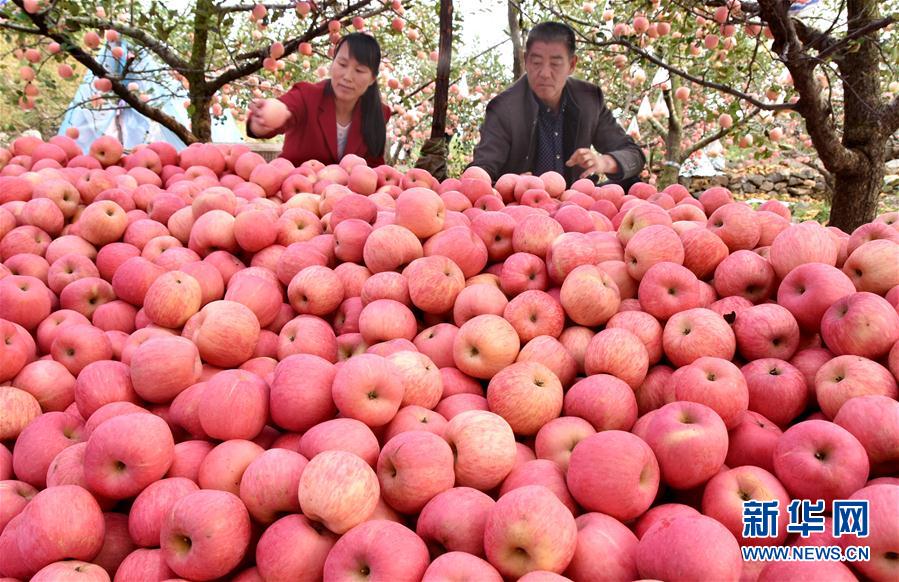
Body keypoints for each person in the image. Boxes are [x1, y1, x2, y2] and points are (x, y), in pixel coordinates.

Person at [470, 21, 645, 189]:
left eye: (555, 64)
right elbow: (482, 167)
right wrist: (509, 185)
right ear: (526, 61)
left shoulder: (589, 98)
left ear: (572, 65)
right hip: (522, 201)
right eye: (536, 63)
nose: (545, 73)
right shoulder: (504, 107)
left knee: (633, 183)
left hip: (576, 199)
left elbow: (633, 154)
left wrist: (603, 162)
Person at [246, 33, 391, 166]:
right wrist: (262, 121)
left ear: (372, 79)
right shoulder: (306, 95)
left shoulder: (378, 113)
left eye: (359, 70)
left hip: (346, 187)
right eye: (342, 64)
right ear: (332, 64)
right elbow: (284, 109)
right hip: (295, 183)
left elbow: (374, 168)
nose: (347, 77)